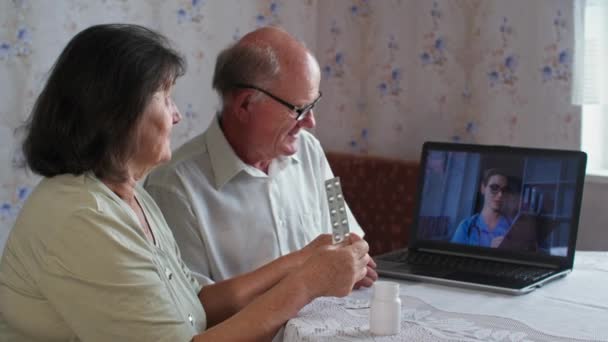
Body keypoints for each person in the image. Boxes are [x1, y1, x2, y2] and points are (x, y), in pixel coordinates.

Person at [0, 24, 371, 341]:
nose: (177, 116)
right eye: (165, 97)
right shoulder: (83, 217)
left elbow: (195, 304)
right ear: (117, 114)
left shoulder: (130, 196)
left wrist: (303, 261)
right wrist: (307, 283)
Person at [144, 26, 377, 286]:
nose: (311, 122)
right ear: (245, 105)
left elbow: (346, 237)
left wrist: (356, 261)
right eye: (299, 109)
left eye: (313, 105)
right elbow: (194, 310)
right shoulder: (173, 187)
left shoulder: (311, 151)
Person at [451, 168, 513, 247]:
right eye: (494, 188)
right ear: (483, 188)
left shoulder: (512, 228)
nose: (500, 194)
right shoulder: (466, 226)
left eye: (504, 190)